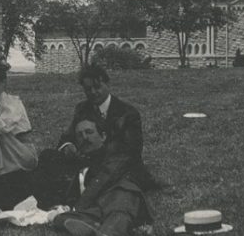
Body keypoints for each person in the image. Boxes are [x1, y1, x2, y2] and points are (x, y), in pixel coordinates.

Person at [35, 64, 161, 205]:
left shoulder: (127, 112)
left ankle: (79, 201)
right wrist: (68, 146)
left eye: (97, 86)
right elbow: (68, 136)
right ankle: (45, 200)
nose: (93, 92)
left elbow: (131, 150)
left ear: (107, 84)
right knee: (47, 156)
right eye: (88, 89)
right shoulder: (82, 108)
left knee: (109, 174)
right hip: (85, 162)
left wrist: (96, 152)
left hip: (117, 166)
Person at [51, 116, 152, 236]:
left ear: (103, 136)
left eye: (89, 132)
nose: (85, 138)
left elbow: (105, 177)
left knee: (121, 198)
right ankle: (94, 227)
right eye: (79, 135)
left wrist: (77, 207)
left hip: (120, 201)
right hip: (96, 209)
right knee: (60, 218)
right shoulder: (80, 163)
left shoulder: (116, 155)